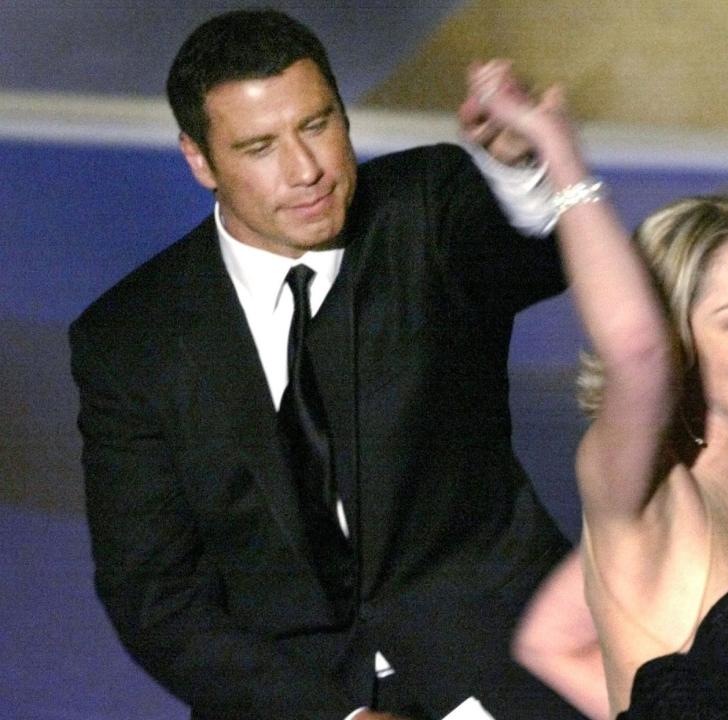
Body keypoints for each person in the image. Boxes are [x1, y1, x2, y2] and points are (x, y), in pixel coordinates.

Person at [69, 12, 585, 720]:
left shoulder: (426, 207)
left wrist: (524, 168)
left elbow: (537, 256)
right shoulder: (131, 339)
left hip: (506, 664)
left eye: (317, 125)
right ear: (199, 160)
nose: (306, 170)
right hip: (293, 699)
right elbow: (155, 595)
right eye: (259, 146)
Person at [463, 60, 728, 719]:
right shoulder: (644, 495)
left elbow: (549, 642)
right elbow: (637, 351)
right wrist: (558, 152)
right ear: (679, 342)